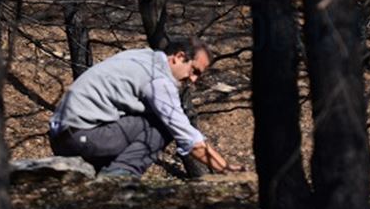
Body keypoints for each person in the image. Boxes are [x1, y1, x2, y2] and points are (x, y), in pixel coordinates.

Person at [48, 37, 240, 178]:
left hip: (64, 137)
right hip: (81, 137)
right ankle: (120, 177)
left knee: (148, 117)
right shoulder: (158, 79)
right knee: (163, 123)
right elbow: (188, 138)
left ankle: (102, 176)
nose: (193, 79)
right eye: (194, 71)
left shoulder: (140, 56)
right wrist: (226, 169)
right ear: (179, 57)